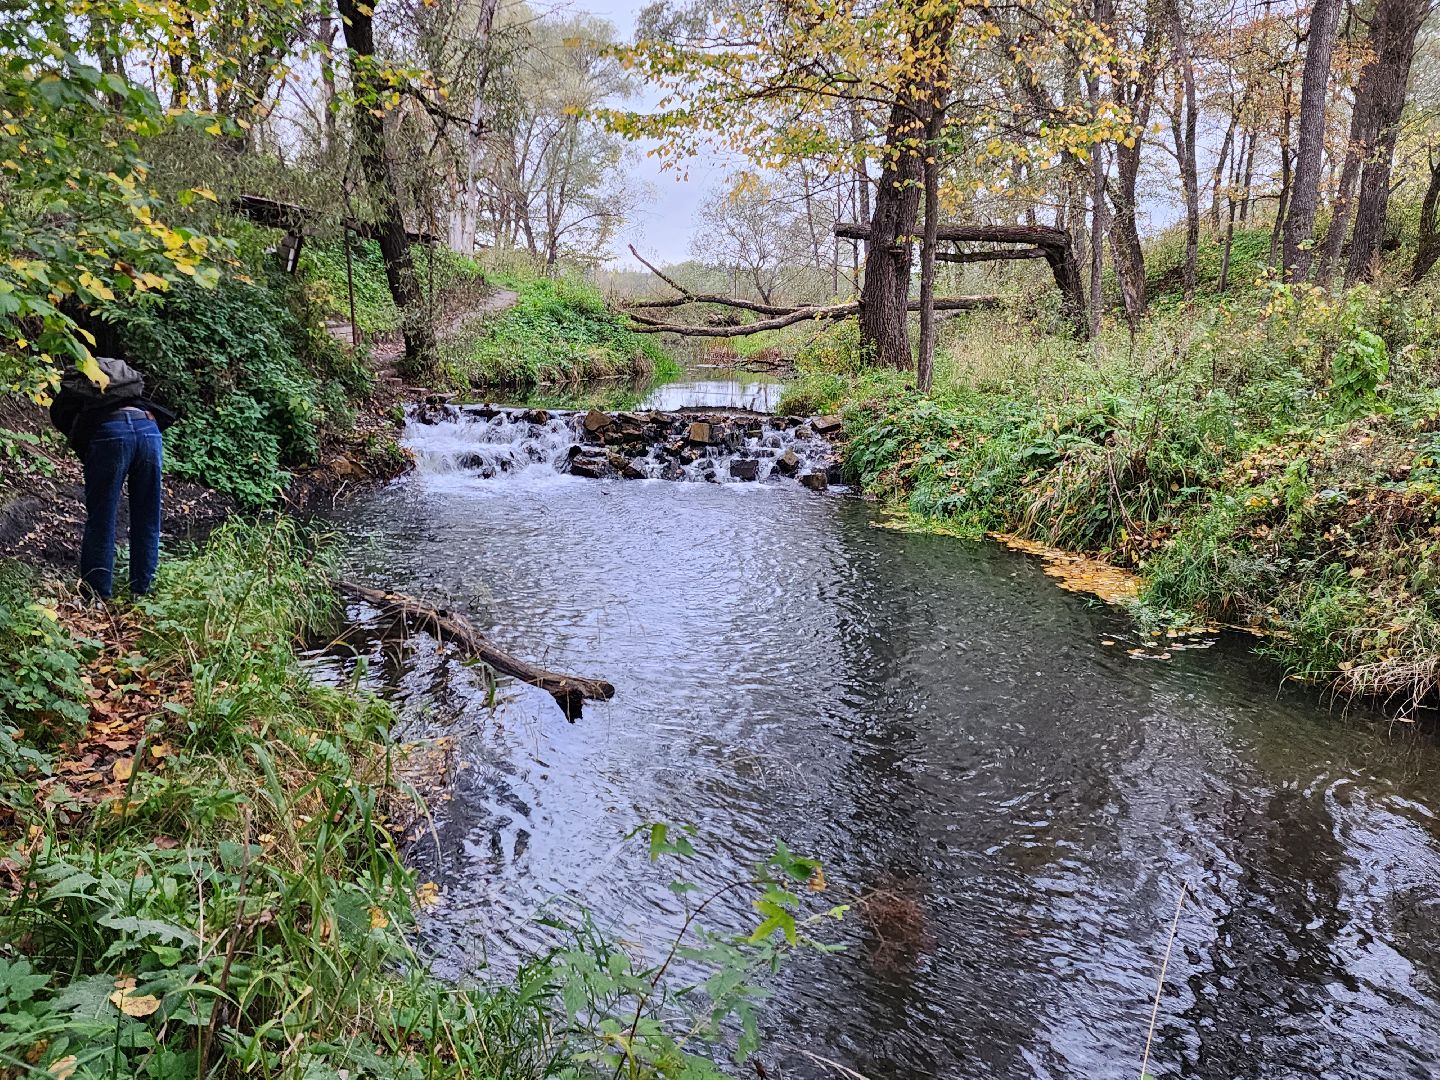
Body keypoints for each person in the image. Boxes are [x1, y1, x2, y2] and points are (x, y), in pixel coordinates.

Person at [49, 356, 176, 600]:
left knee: (102, 519)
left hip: (111, 432)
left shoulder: (75, 389)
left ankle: (96, 597)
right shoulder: (124, 386)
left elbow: (64, 421)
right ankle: (142, 593)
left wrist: (87, 447)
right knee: (147, 517)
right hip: (148, 428)